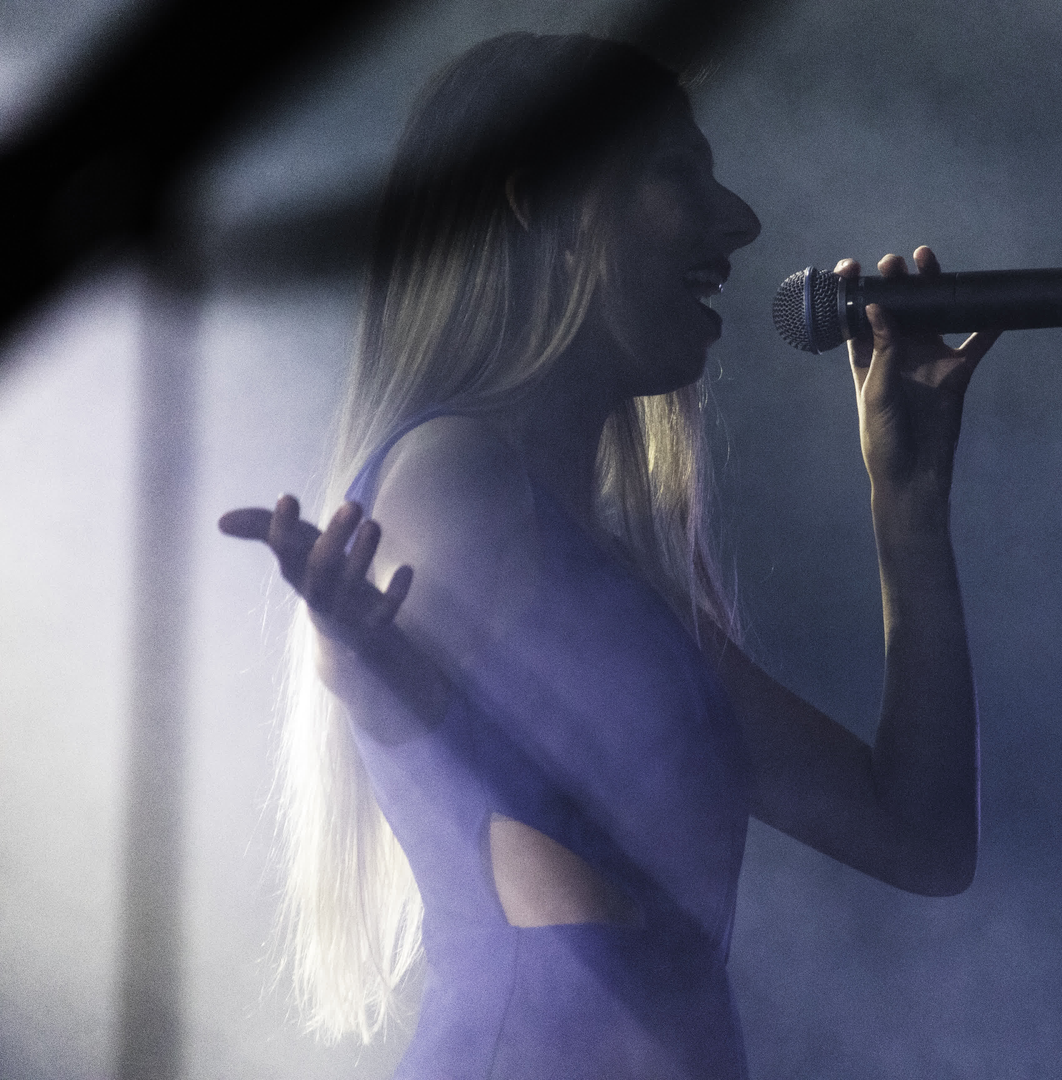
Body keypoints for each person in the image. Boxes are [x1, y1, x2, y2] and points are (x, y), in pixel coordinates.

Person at [220, 31, 998, 1080]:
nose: (740, 222)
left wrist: (908, 494)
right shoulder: (458, 477)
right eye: (676, 173)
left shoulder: (611, 570)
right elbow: (428, 730)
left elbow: (921, 838)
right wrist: (366, 666)